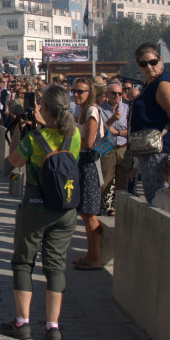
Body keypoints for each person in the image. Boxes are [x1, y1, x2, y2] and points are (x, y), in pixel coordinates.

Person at [1, 84, 80, 340]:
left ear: (43, 108)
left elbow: (13, 162)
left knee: (24, 262)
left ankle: (22, 322)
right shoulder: (75, 135)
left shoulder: (34, 139)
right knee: (55, 266)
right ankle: (52, 326)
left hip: (35, 206)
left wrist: (20, 130)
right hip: (65, 209)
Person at [129, 43, 170, 203]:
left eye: (153, 62)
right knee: (156, 197)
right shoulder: (151, 83)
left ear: (160, 60)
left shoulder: (163, 84)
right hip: (151, 149)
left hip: (160, 150)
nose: (149, 67)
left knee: (160, 199)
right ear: (138, 65)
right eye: (143, 63)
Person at [71, 78, 105, 271]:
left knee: (90, 213)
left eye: (80, 91)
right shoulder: (82, 110)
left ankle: (96, 258)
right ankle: (90, 254)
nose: (76, 94)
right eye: (74, 91)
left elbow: (88, 142)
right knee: (85, 212)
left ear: (89, 92)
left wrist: (71, 139)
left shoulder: (92, 110)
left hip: (89, 163)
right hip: (82, 162)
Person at [98, 81, 129, 216]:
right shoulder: (100, 109)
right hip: (108, 148)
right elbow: (102, 129)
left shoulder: (127, 109)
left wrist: (117, 131)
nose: (116, 96)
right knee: (106, 179)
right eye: (113, 93)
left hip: (123, 147)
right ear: (107, 94)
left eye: (119, 94)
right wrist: (111, 121)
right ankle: (103, 206)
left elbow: (130, 129)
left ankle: (120, 207)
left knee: (122, 180)